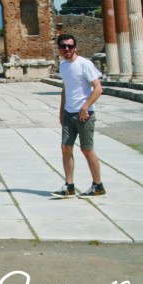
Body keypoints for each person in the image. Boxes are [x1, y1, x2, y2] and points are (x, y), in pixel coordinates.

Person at [52, 34, 106, 198]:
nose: (67, 49)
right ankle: (69, 186)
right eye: (63, 47)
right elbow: (65, 89)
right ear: (59, 49)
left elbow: (98, 88)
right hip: (69, 113)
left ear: (75, 47)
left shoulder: (85, 64)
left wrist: (85, 107)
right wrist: (61, 112)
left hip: (85, 114)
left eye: (70, 46)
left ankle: (98, 185)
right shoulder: (62, 66)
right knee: (65, 148)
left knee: (86, 149)